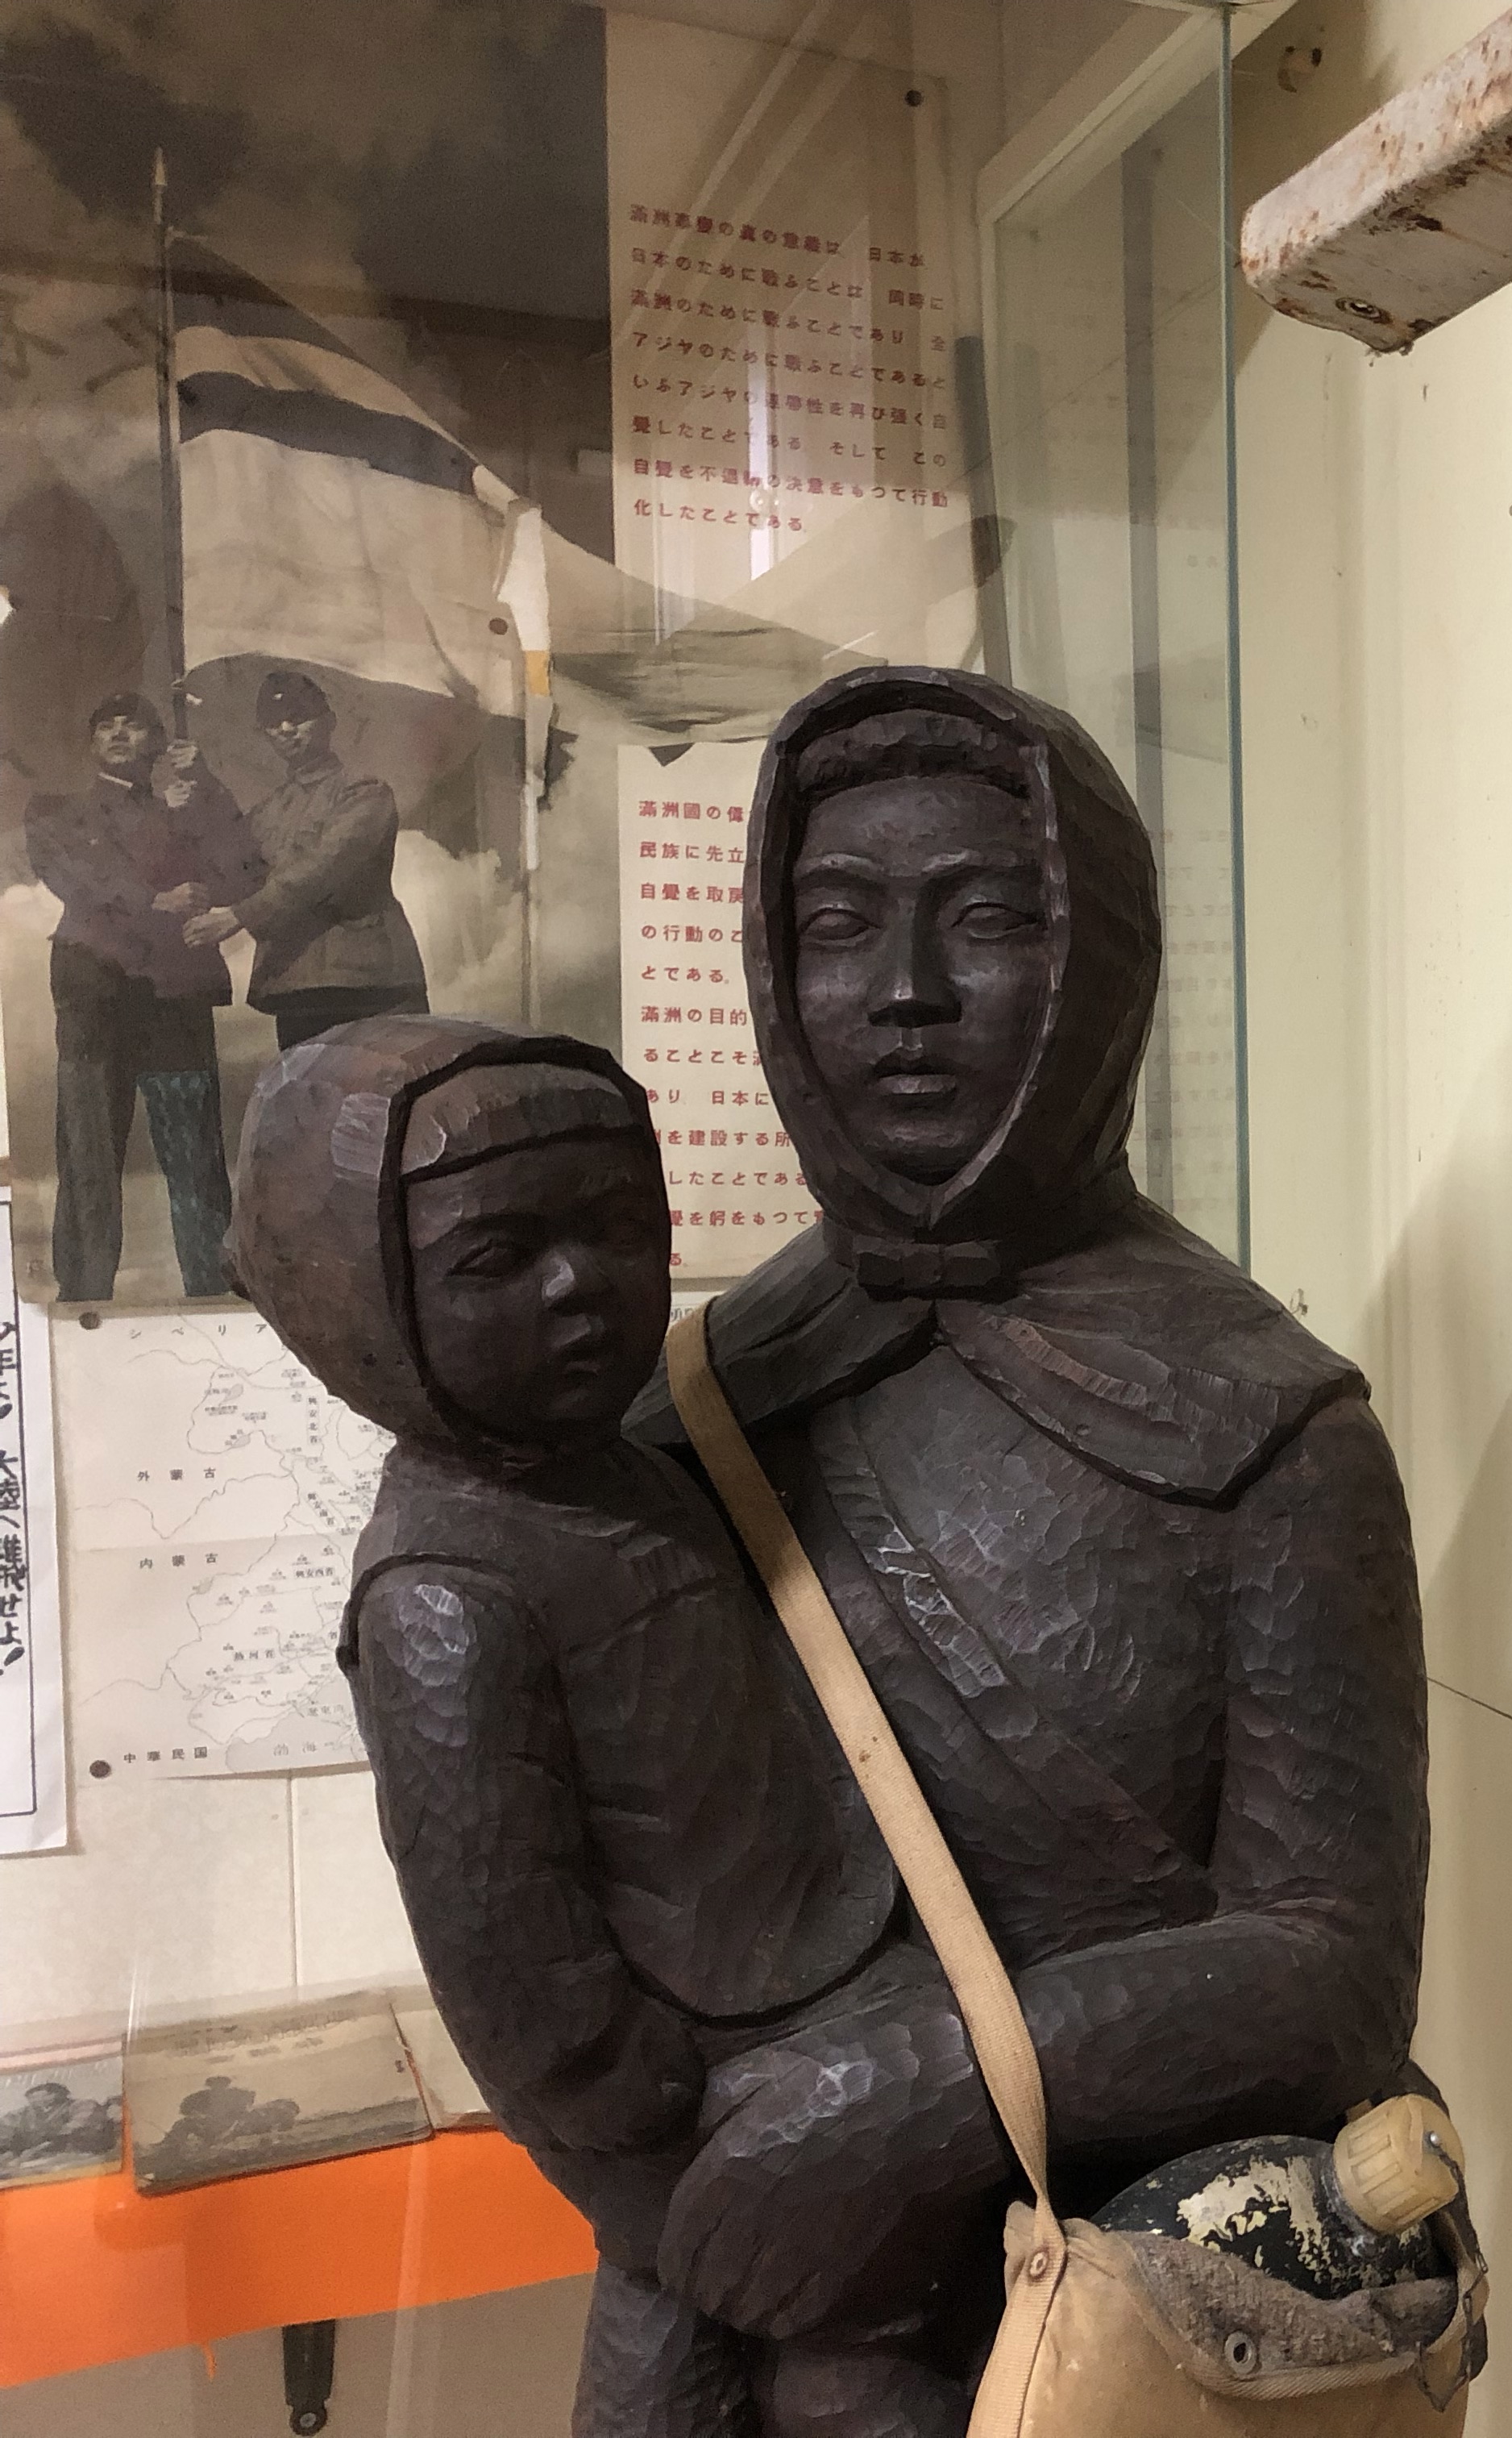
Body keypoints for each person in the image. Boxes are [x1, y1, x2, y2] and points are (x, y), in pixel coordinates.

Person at [616, 673, 1438, 2411]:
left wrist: (920, 2094)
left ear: (1103, 960)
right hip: (752, 2297)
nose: (904, 992)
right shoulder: (696, 1409)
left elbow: (1332, 1971)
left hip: (1135, 2302)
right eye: (838, 925)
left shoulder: (1271, 1428)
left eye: (987, 920)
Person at [234, 1022, 919, 2421]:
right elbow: (508, 1945)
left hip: (807, 1997)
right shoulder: (444, 1596)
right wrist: (644, 2124)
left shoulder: (638, 1469)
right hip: (710, 2095)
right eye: (497, 1256)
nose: (579, 1284)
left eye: (614, 1228)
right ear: (354, 1296)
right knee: (766, 2358)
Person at [27, 691, 258, 1301]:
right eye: (106, 726)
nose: (119, 734)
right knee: (89, 1151)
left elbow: (244, 867)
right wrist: (154, 899)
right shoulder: (59, 812)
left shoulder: (188, 804)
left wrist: (206, 789)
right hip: (96, 993)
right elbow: (71, 872)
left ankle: (213, 1294)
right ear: (91, 744)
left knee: (194, 1149)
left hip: (174, 995)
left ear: (158, 743)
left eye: (133, 726)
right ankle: (83, 1300)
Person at [179, 668, 429, 1049]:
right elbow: (234, 863)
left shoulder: (365, 791)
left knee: (388, 1085)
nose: (286, 728)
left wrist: (238, 916)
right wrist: (204, 787)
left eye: (299, 716)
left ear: (329, 721)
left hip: (371, 985)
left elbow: (325, 867)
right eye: (273, 722)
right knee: (307, 1087)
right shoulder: (269, 812)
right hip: (297, 987)